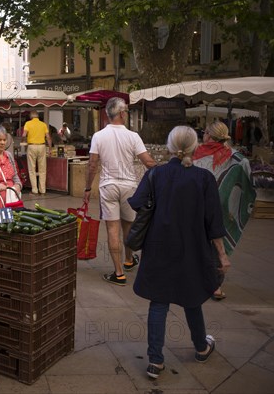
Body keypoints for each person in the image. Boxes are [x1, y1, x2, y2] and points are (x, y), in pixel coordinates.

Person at [128, 125, 230, 379]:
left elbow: (138, 204)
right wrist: (222, 255)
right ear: (195, 147)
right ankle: (201, 347)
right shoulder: (204, 179)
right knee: (192, 297)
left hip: (158, 246)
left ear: (170, 147)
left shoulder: (156, 174)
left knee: (158, 301)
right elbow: (213, 222)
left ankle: (155, 361)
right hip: (192, 248)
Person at [84, 97, 156, 285]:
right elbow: (148, 162)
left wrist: (87, 187)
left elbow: (92, 165)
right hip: (129, 186)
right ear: (122, 113)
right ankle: (129, 259)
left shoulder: (99, 136)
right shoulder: (133, 136)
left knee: (112, 229)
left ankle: (119, 272)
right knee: (129, 226)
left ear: (108, 114)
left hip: (108, 186)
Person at [193, 121, 256, 300]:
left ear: (209, 136)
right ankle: (216, 287)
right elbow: (248, 181)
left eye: (205, 132)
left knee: (199, 242)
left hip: (199, 205)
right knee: (217, 244)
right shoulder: (237, 157)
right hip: (221, 207)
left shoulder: (196, 153)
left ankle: (198, 280)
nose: (203, 136)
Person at [22, 110, 51, 195]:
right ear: (38, 116)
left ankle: (34, 190)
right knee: (42, 170)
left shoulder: (28, 123)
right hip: (42, 146)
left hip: (32, 146)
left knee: (32, 169)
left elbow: (24, 135)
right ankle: (43, 190)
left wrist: (23, 142)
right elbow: (48, 137)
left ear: (31, 116)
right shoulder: (43, 124)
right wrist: (49, 148)